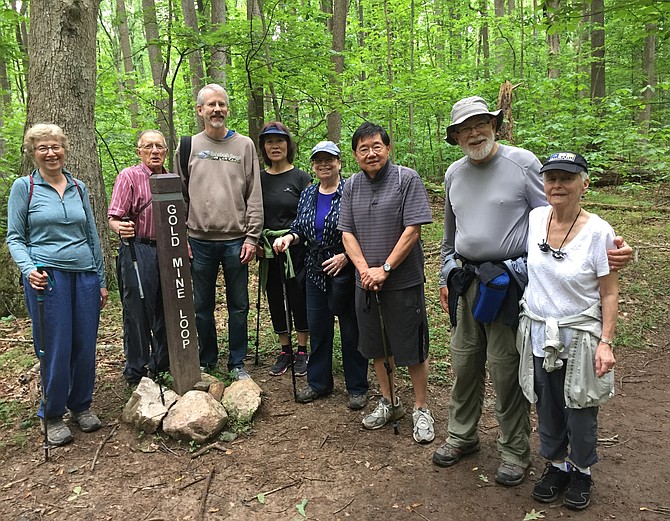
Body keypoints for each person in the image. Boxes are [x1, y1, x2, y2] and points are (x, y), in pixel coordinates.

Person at [433, 96, 632, 486]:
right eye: (465, 128)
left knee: (507, 369)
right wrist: (445, 274)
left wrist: (612, 250)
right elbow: (448, 236)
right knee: (464, 363)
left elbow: (561, 217)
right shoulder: (454, 174)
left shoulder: (522, 162)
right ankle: (462, 435)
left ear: (495, 125)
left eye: (481, 124)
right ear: (455, 136)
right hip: (466, 283)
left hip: (509, 284)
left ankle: (514, 450)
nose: (474, 133)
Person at [518, 152, 617, 510]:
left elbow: (609, 290)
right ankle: (557, 465)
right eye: (551, 178)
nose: (557, 185)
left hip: (580, 334)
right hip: (540, 330)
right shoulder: (535, 218)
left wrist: (605, 342)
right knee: (547, 403)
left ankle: (582, 471)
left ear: (584, 183)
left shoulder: (598, 231)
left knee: (580, 406)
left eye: (567, 178)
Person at [6, 123, 108, 446]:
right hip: (47, 277)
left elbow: (92, 235)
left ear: (65, 149)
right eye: (43, 148)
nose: (50, 153)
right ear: (33, 153)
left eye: (55, 146)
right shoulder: (25, 188)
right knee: (55, 345)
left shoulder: (79, 187)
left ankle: (81, 405)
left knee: (84, 343)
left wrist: (101, 279)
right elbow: (15, 237)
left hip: (86, 274)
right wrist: (28, 268)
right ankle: (51, 414)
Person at [338, 122, 435, 444]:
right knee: (377, 346)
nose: (371, 153)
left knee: (412, 345)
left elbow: (413, 229)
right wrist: (366, 270)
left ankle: (421, 408)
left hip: (403, 282)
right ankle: (390, 401)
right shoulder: (351, 185)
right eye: (363, 149)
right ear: (355, 154)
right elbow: (347, 232)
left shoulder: (406, 179)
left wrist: (386, 268)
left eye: (376, 146)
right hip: (365, 283)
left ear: (387, 148)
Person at [175, 84, 263, 380]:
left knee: (239, 306)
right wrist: (182, 237)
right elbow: (180, 196)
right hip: (198, 241)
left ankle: (237, 362)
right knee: (201, 306)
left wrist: (252, 236)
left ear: (228, 109)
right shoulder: (188, 145)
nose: (217, 110)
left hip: (236, 240)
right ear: (199, 110)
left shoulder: (245, 145)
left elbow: (254, 194)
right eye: (210, 105)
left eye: (222, 104)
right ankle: (207, 359)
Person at [273, 141, 369, 409]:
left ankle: (357, 387)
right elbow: (300, 227)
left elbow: (363, 229)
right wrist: (288, 238)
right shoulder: (308, 193)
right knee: (318, 328)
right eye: (319, 160)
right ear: (313, 165)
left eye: (330, 159)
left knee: (351, 330)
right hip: (315, 270)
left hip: (346, 270)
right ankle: (319, 383)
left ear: (339, 162)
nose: (324, 164)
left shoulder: (352, 190)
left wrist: (347, 257)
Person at [108, 130, 169, 387]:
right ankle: (136, 370)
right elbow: (113, 217)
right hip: (138, 249)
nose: (154, 151)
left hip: (169, 250)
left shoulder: (172, 179)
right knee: (138, 311)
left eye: (159, 147)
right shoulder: (129, 176)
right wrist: (120, 227)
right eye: (148, 147)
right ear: (139, 151)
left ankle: (163, 364)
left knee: (168, 309)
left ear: (166, 151)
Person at [257, 122, 311, 377]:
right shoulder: (258, 178)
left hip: (296, 248)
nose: (274, 146)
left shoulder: (301, 178)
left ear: (288, 145)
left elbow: (309, 213)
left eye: (279, 141)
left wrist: (293, 237)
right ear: (264, 147)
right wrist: (256, 241)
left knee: (298, 296)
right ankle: (285, 349)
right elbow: (252, 212)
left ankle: (302, 349)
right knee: (276, 298)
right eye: (269, 142)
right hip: (268, 250)